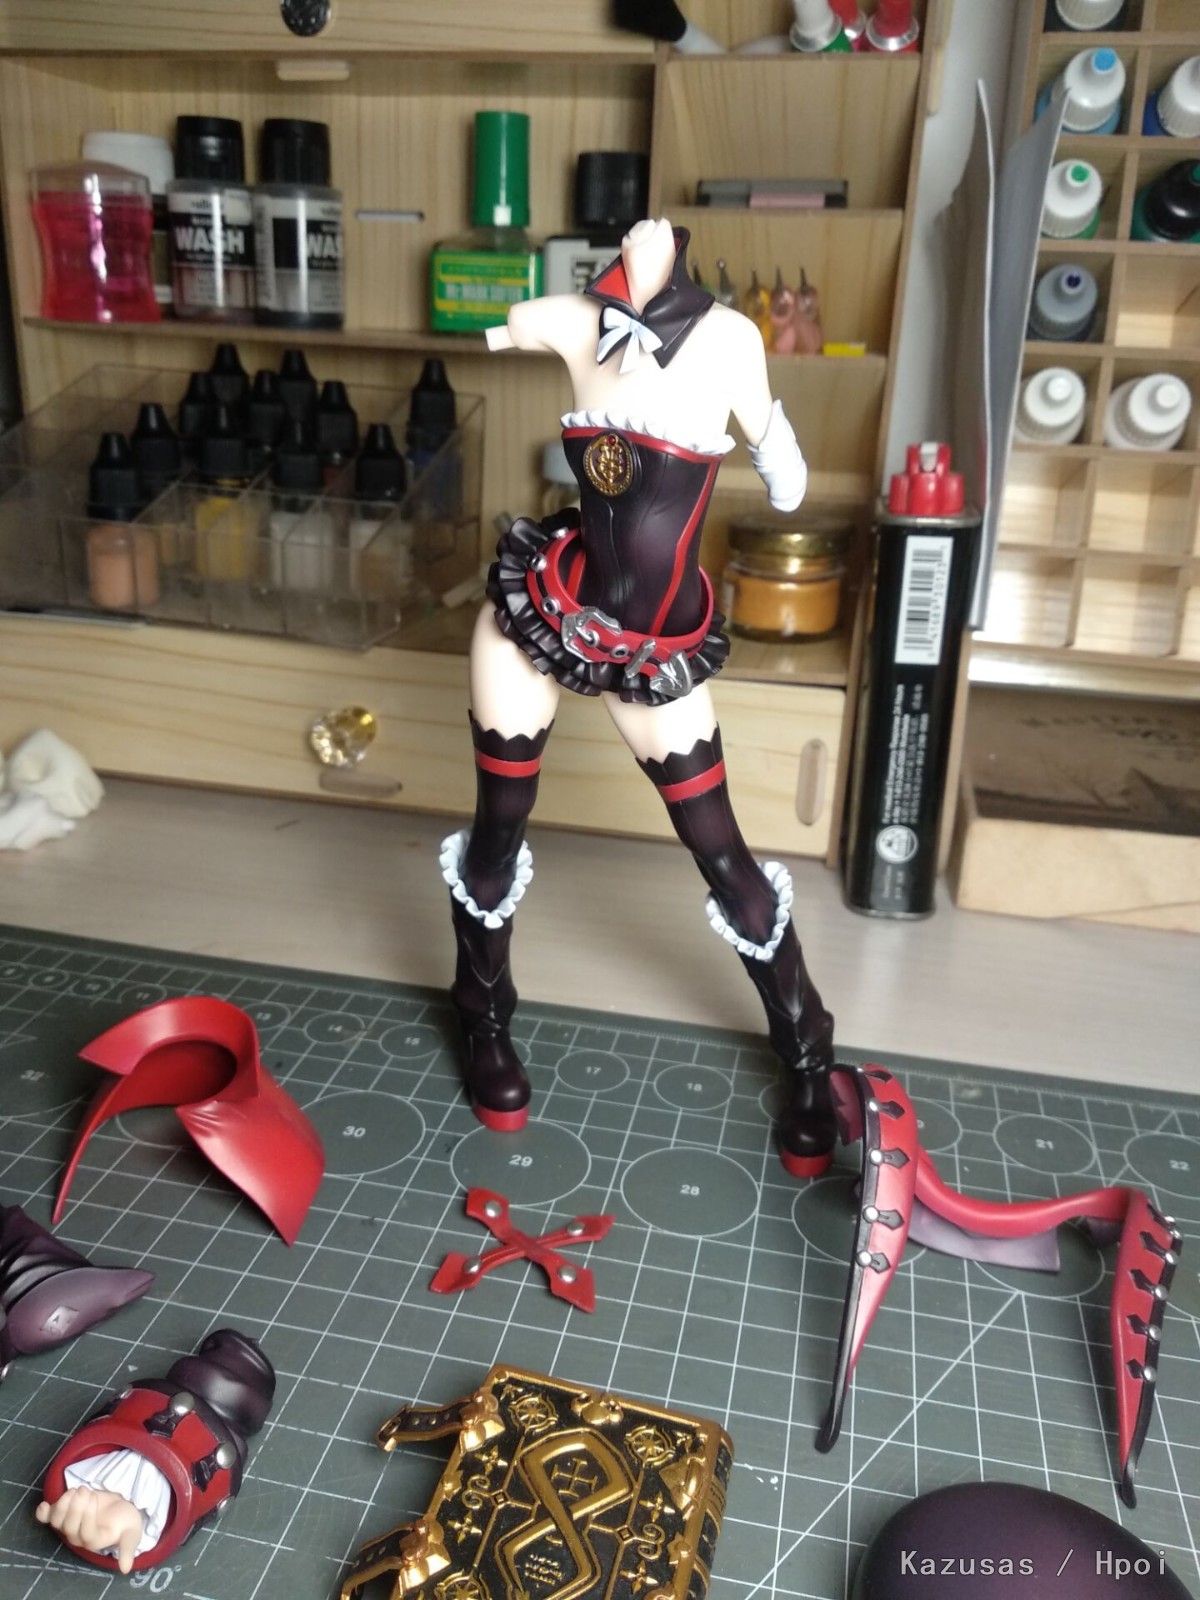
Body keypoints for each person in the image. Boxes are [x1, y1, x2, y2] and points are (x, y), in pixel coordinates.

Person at [439, 217, 836, 1174]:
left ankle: (810, 1056)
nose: (640, 233)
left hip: (653, 644)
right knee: (498, 830)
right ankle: (483, 1017)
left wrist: (763, 429)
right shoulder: (574, 321)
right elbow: (508, 323)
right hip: (546, 609)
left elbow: (788, 486)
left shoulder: (730, 338)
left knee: (725, 854)